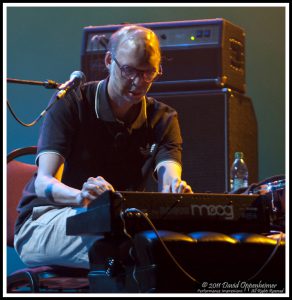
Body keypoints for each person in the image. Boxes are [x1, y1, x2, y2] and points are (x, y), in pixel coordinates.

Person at [13, 24, 193, 270]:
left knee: (176, 244)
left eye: (149, 73)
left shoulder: (163, 118)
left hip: (117, 223)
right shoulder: (71, 103)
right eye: (130, 70)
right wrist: (83, 198)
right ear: (109, 60)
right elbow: (44, 183)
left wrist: (174, 190)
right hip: (44, 221)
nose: (139, 81)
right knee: (122, 243)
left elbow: (169, 177)